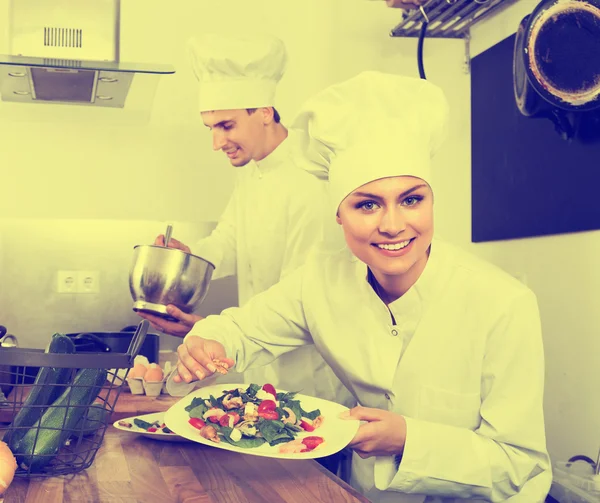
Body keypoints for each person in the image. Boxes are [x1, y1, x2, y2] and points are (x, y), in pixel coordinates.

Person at [171, 71, 552, 502]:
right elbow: (237, 329)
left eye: (411, 199)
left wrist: (408, 440)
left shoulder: (503, 305)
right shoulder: (319, 282)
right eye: (367, 204)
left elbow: (522, 467)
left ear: (431, 201)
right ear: (338, 215)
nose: (392, 225)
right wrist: (207, 343)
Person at [138, 33, 353, 474]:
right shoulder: (254, 173)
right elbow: (230, 241)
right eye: (211, 128)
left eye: (226, 126)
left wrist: (209, 331)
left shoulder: (311, 180)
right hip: (263, 374)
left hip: (308, 384)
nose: (216, 143)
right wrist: (185, 254)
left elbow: (303, 299)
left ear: (265, 112)